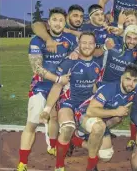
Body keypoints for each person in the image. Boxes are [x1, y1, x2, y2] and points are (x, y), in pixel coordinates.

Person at [17, 8, 76, 171]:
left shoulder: (71, 39)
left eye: (61, 20)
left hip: (63, 87)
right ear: (48, 22)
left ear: (65, 23)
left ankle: (53, 146)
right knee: (32, 123)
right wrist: (57, 78)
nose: (58, 23)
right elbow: (36, 68)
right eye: (54, 19)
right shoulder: (37, 40)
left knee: (55, 119)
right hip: (41, 87)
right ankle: (22, 163)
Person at [39, 32, 102, 171]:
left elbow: (96, 88)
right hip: (68, 102)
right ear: (78, 44)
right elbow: (57, 86)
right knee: (67, 128)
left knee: (97, 131)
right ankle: (59, 166)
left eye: (90, 43)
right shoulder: (69, 62)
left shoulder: (99, 63)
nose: (87, 46)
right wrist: (47, 110)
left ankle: (91, 165)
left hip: (86, 105)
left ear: (95, 45)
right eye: (84, 42)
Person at [69, 65, 137, 170]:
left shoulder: (135, 90)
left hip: (102, 119)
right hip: (84, 114)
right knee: (99, 127)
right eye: (128, 79)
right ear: (121, 78)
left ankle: (77, 140)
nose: (131, 84)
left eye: (135, 80)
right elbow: (91, 110)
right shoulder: (109, 89)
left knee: (105, 156)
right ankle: (91, 165)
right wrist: (115, 111)